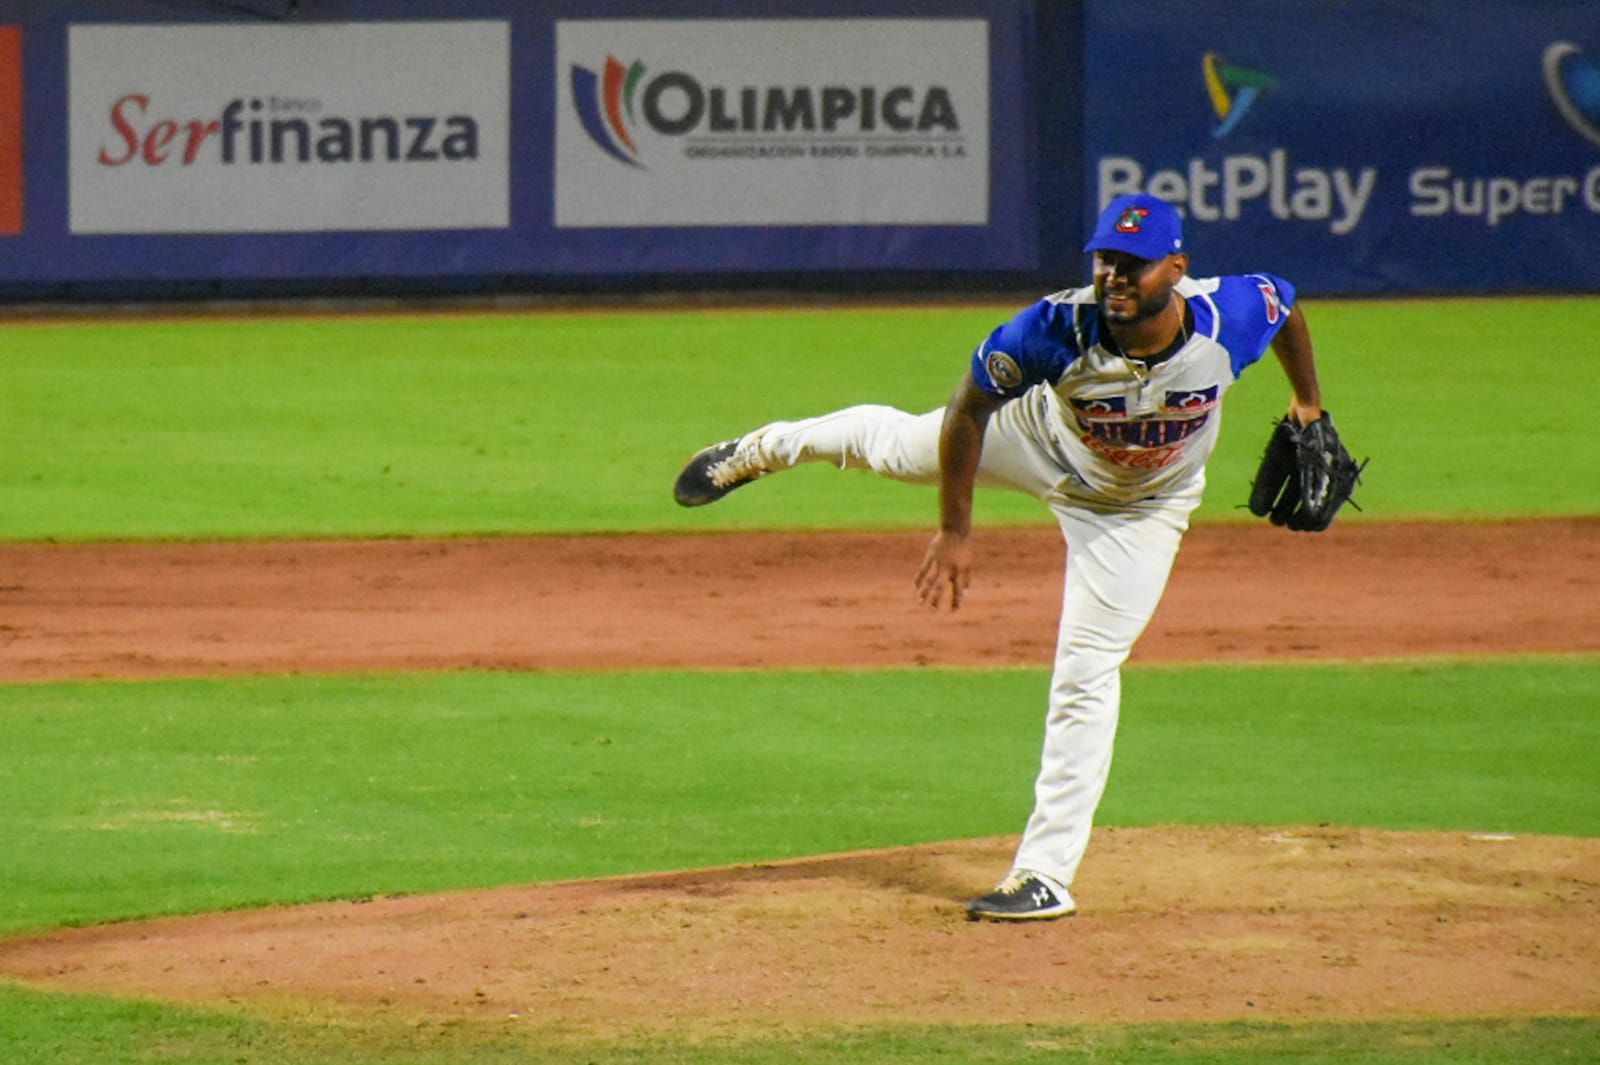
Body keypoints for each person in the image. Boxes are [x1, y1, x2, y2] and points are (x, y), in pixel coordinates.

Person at [671, 193, 1329, 921]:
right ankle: (758, 450)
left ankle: (1043, 873)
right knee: (889, 448)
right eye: (1105, 258)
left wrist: (1309, 407)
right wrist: (956, 529)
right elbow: (967, 409)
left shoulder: (1227, 319)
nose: (1113, 275)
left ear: (1176, 269)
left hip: (1140, 511)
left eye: (1133, 265)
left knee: (1087, 672)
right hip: (1035, 442)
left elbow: (1287, 306)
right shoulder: (1052, 329)